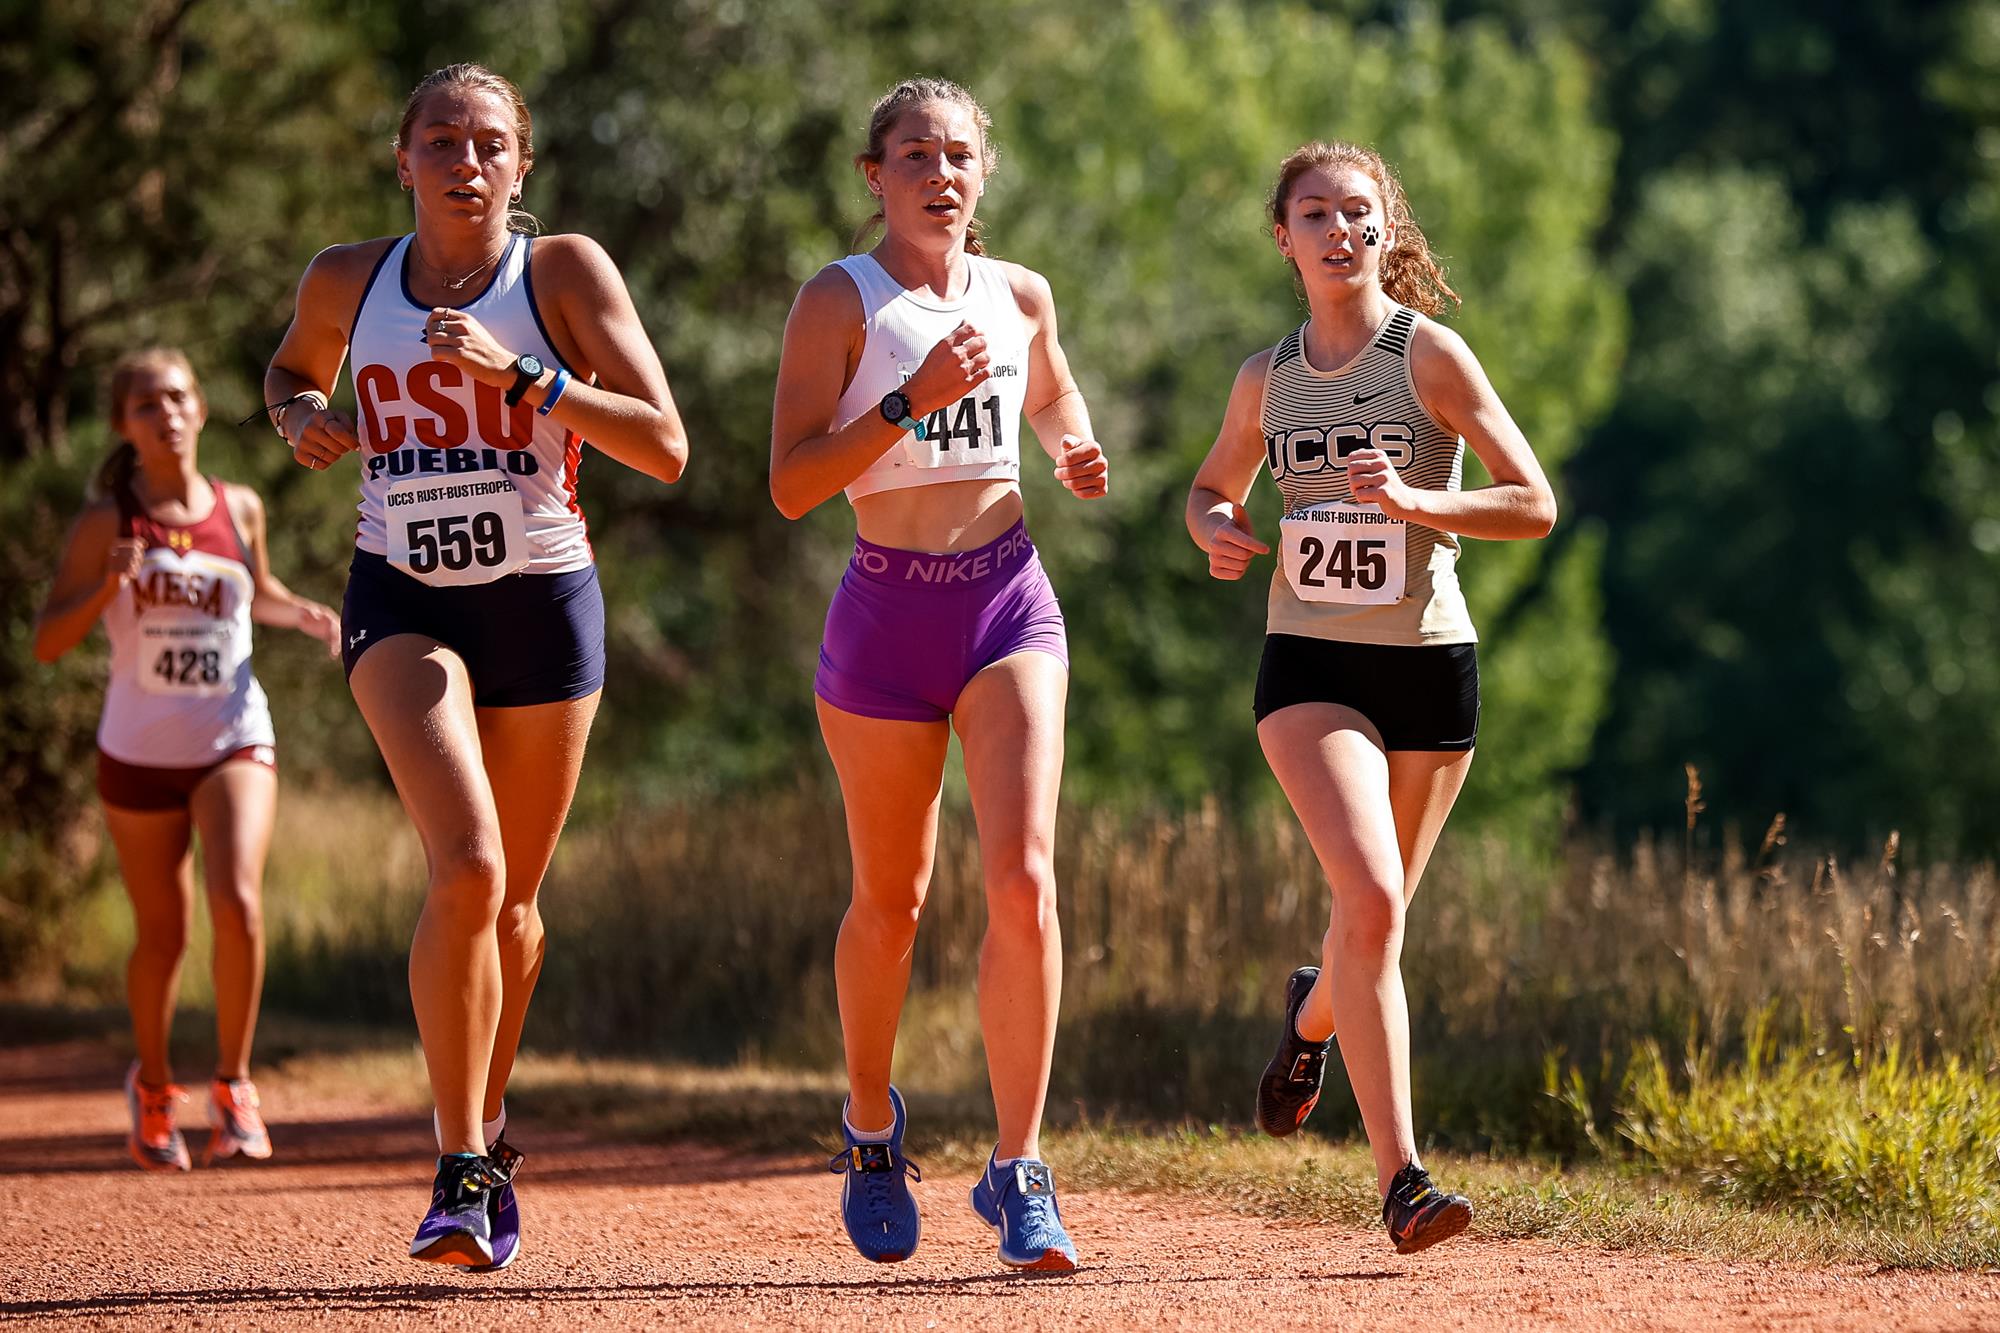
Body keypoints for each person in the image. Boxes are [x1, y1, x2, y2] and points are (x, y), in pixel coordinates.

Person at [263, 63, 688, 1269]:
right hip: (399, 596)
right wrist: (300, 418)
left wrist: (528, 378)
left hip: (541, 603)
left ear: (522, 164)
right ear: (402, 159)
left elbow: (664, 444)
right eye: (442, 140)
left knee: (513, 909)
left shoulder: (560, 275)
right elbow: (289, 372)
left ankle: (488, 1128)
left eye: (490, 142)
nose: (466, 160)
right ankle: (457, 1163)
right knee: (466, 863)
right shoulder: (347, 278)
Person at [1186, 141, 1557, 1255]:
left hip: (1427, 664)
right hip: (1309, 665)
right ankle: (1403, 1180)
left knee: (1370, 921)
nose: (1338, 230)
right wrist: (1216, 527)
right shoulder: (1265, 377)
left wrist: (1415, 501)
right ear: (1283, 237)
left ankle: (1310, 1017)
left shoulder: (1429, 355)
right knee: (1374, 899)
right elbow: (1211, 486)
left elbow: (1533, 502)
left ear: (1385, 229)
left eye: (1357, 212)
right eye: (1315, 213)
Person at [770, 77, 1108, 1272]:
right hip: (884, 619)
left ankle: (1019, 1168)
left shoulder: (1020, 293)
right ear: (875, 176)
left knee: (1023, 879)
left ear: (983, 171)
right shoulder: (840, 299)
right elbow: (793, 482)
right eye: (914, 154)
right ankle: (870, 1126)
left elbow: (1051, 388)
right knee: (892, 902)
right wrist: (912, 402)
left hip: (1007, 602)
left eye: (958, 154)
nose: (940, 173)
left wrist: (1070, 446)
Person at [34, 348, 341, 1173]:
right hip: (136, 751)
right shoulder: (106, 521)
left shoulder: (239, 506)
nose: (165, 413)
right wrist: (107, 587)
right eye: (145, 404)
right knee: (163, 937)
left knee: (237, 899)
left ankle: (235, 1088)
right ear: (123, 425)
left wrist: (303, 614)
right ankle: (154, 1087)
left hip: (230, 734)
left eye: (176, 397)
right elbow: (48, 641)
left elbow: (256, 590)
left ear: (201, 408)